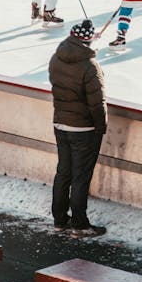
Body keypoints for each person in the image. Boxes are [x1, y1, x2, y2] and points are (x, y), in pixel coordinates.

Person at [49, 18, 107, 238]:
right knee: (80, 176)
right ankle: (80, 224)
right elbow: (97, 102)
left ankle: (60, 220)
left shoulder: (57, 57)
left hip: (60, 123)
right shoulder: (90, 66)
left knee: (63, 172)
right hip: (83, 128)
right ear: (88, 41)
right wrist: (100, 127)